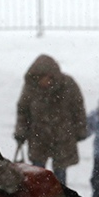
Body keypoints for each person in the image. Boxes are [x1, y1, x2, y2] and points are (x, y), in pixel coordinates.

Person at [14, 54, 87, 186]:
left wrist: (80, 129)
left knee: (60, 176)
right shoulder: (30, 88)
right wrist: (21, 132)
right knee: (38, 176)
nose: (43, 81)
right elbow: (23, 111)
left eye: (45, 77)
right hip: (38, 137)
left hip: (63, 137)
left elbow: (78, 108)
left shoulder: (68, 85)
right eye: (40, 78)